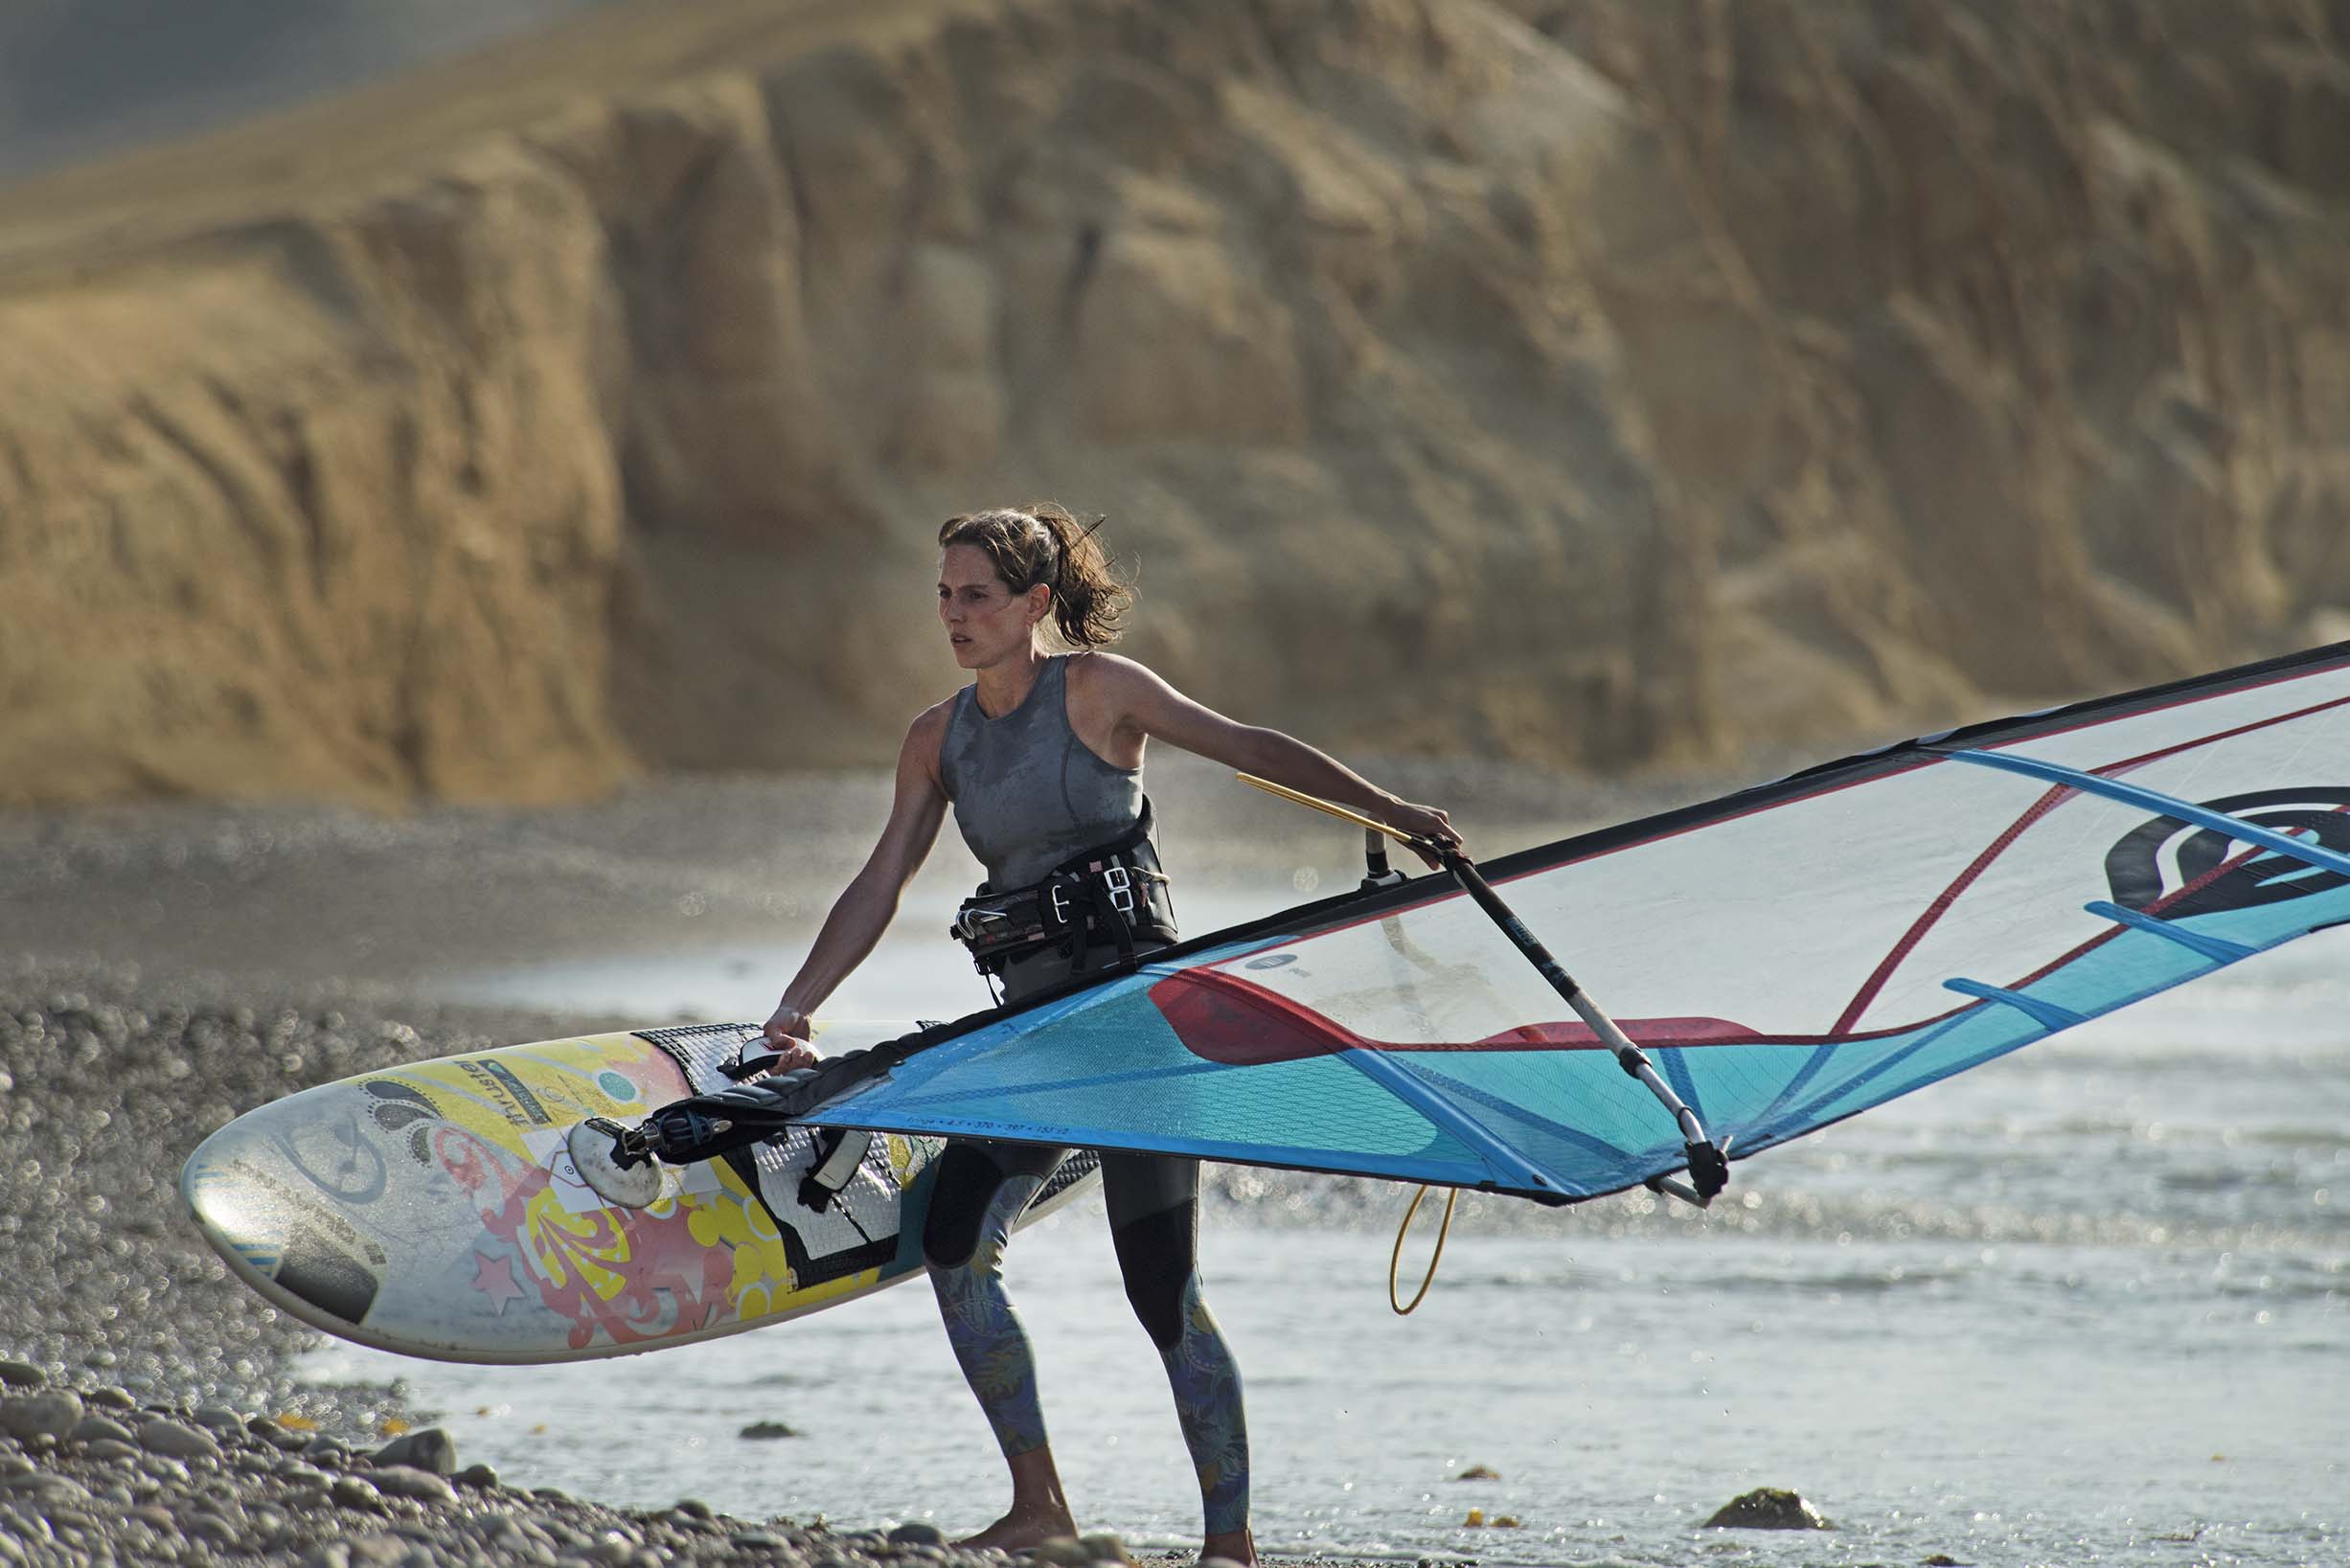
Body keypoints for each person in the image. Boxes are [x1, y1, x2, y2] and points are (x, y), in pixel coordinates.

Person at [756, 503, 1459, 1565]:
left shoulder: (1096, 690)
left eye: (975, 595)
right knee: (953, 1240)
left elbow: (1246, 746)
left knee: (1158, 1287)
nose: (953, 614)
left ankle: (1230, 1543)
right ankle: (1039, 1504)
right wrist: (796, 1002)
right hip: (1037, 1035)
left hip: (1133, 1028)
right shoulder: (934, 738)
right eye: (943, 595)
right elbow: (881, 876)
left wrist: (1393, 812)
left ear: (1033, 604)